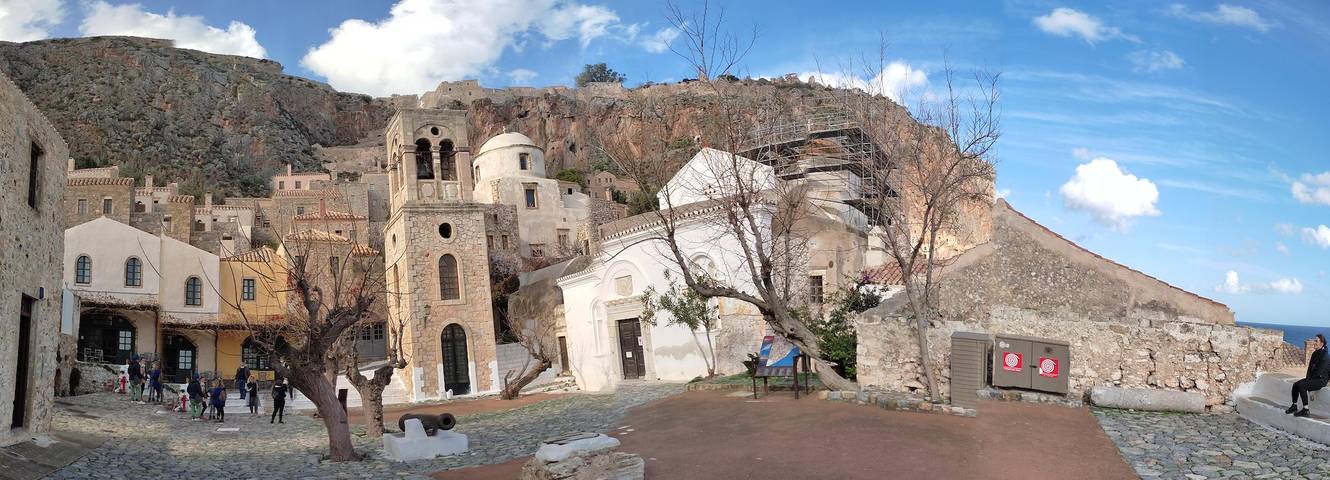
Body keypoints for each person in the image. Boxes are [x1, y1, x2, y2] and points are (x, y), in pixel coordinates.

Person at [1289, 334, 1330, 417]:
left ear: (1321, 343)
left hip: (1321, 380)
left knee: (1302, 386)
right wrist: (1308, 379)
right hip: (1313, 378)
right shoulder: (1315, 353)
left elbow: (1319, 371)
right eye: (1315, 340)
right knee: (1295, 385)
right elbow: (1310, 368)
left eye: (1316, 341)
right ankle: (1294, 405)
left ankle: (1306, 410)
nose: (1314, 342)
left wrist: (1309, 383)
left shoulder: (1325, 355)